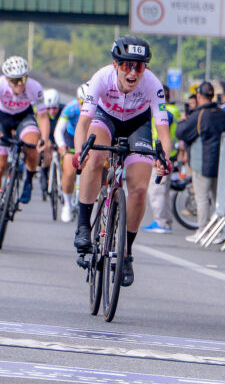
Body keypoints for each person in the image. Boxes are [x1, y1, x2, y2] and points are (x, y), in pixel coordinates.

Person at [73, 35, 172, 287]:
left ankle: (126, 253)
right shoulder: (101, 78)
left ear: (145, 69)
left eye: (138, 66)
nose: (132, 71)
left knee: (139, 188)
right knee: (95, 156)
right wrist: (78, 153)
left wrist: (165, 158)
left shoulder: (152, 84)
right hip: (106, 119)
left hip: (137, 125)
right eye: (126, 65)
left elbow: (162, 129)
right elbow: (84, 123)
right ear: (116, 64)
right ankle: (84, 226)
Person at [0, 56, 51, 234]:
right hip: (1, 119)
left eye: (23, 79)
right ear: (7, 79)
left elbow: (42, 116)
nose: (20, 84)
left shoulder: (34, 87)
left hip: (23, 118)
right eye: (15, 81)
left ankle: (28, 180)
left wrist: (45, 139)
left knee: (32, 146)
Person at [175, 81, 225, 242]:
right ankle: (221, 231)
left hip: (202, 162)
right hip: (220, 162)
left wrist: (184, 120)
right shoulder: (221, 113)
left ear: (199, 95)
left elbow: (181, 132)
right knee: (217, 197)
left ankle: (203, 230)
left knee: (202, 198)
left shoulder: (200, 115)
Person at [142, 84, 180, 234]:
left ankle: (161, 222)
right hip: (169, 155)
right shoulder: (174, 111)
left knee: (156, 189)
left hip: (161, 156)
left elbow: (160, 135)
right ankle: (166, 221)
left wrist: (156, 156)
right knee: (164, 190)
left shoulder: (164, 112)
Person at [53, 84, 86, 223]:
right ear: (78, 100)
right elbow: (58, 130)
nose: (85, 107)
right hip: (71, 139)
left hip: (89, 137)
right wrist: (62, 147)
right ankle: (67, 204)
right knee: (69, 172)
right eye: (82, 103)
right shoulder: (71, 108)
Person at [40, 88, 62, 189]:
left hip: (60, 136)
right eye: (48, 108)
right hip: (47, 135)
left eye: (54, 108)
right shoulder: (41, 113)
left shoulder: (64, 110)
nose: (52, 111)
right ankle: (44, 173)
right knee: (47, 151)